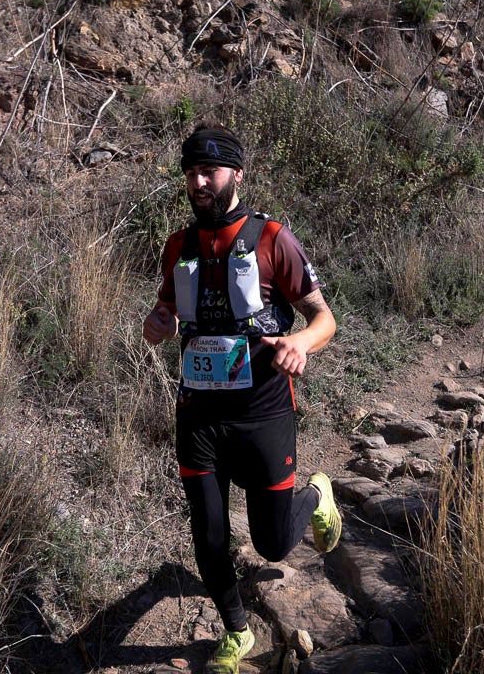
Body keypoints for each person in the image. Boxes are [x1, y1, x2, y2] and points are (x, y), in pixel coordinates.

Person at [143, 122, 341, 674]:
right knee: (207, 534)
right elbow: (167, 310)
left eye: (209, 171)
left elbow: (323, 318)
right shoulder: (178, 246)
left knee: (273, 544)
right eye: (191, 173)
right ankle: (236, 631)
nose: (198, 183)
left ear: (237, 175)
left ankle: (317, 496)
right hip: (199, 414)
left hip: (263, 411)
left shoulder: (273, 238)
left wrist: (300, 342)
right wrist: (159, 322)